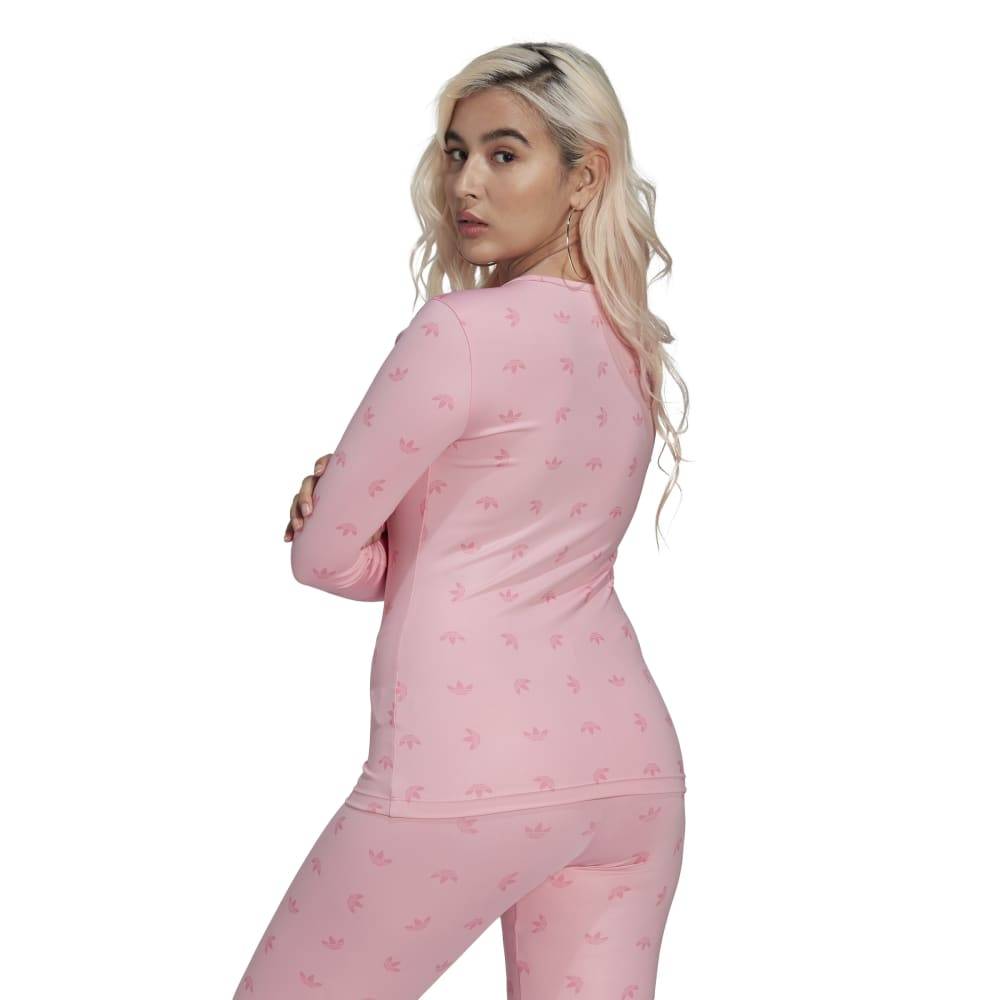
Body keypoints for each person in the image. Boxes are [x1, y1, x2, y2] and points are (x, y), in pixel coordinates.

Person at [233, 41, 690, 1000]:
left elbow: (324, 561)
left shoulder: (458, 332)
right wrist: (405, 529)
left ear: (585, 175)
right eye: (454, 153)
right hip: (628, 774)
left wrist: (353, 520)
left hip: (461, 773)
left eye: (503, 153)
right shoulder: (630, 343)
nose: (465, 184)